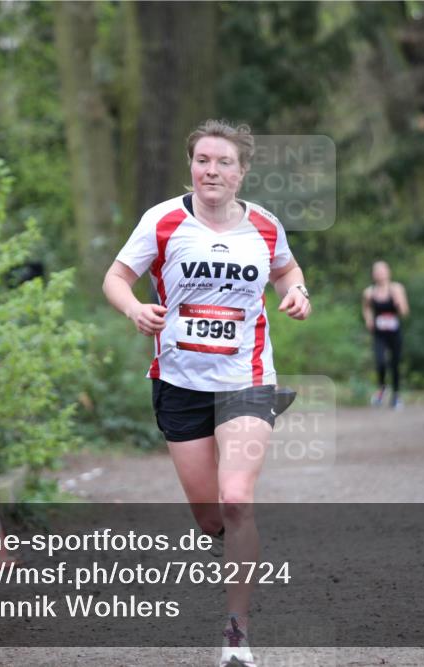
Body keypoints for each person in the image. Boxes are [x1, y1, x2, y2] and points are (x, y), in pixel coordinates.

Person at [102, 119, 311, 667]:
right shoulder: (164, 221)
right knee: (211, 517)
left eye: (223, 162)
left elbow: (288, 272)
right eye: (202, 160)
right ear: (190, 166)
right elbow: (116, 278)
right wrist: (134, 308)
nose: (211, 170)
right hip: (180, 383)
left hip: (246, 378)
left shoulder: (265, 226)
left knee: (236, 499)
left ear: (242, 172)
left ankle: (237, 634)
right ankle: (230, 542)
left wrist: (298, 294)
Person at [362, 260, 409, 409]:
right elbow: (366, 308)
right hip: (379, 333)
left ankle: (396, 396)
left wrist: (398, 302)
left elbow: (404, 312)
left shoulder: (396, 288)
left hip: (394, 333)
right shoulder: (369, 292)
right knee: (380, 361)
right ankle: (382, 388)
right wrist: (369, 319)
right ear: (373, 274)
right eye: (377, 271)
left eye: (382, 271)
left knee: (395, 363)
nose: (380, 274)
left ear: (388, 272)